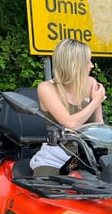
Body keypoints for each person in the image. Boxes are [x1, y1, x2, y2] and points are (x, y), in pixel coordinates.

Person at [29, 39, 106, 175]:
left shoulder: (91, 83)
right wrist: (95, 101)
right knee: (46, 189)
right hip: (57, 156)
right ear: (74, 64)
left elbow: (99, 125)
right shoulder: (47, 88)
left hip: (88, 156)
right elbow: (69, 123)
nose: (92, 66)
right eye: (87, 61)